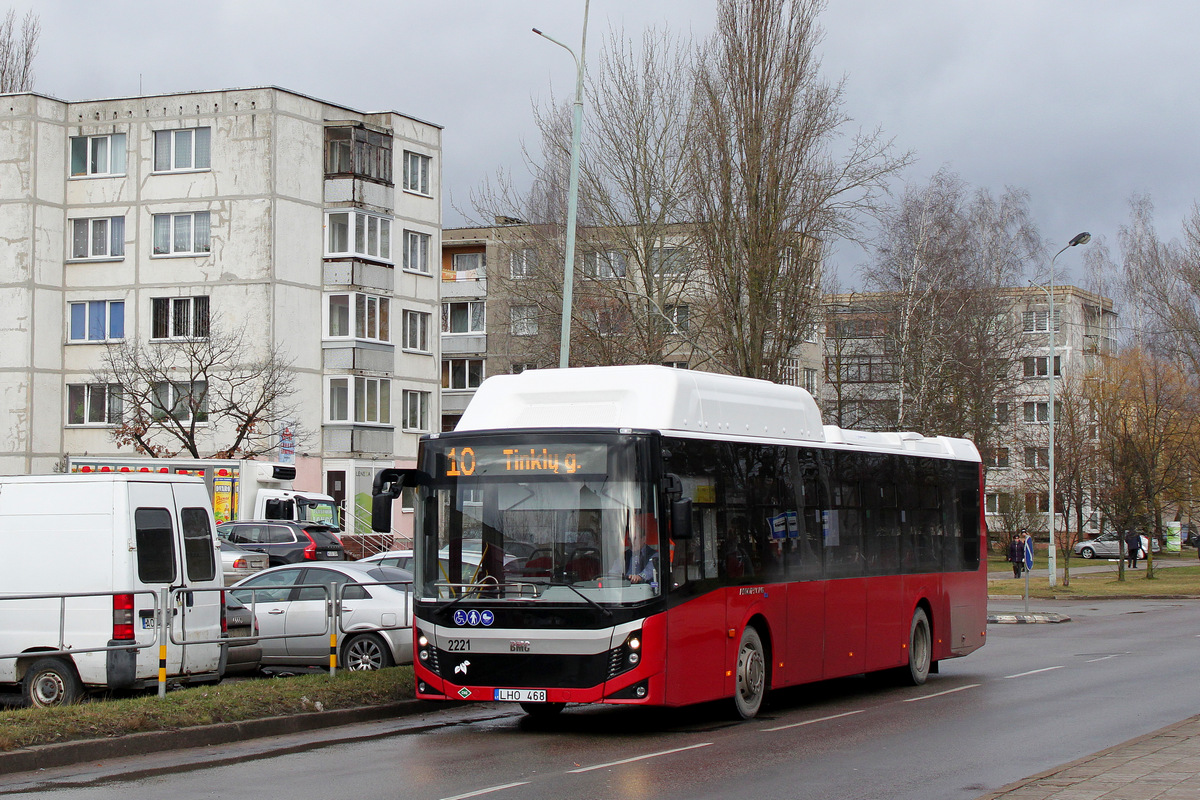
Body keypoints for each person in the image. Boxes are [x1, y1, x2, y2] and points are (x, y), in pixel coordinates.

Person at [617, 515, 659, 584]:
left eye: (635, 538)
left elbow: (649, 571)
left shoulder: (653, 555)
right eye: (629, 539)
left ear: (643, 539)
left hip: (645, 590)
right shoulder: (624, 556)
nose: (631, 542)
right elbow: (614, 572)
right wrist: (605, 578)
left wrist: (639, 577)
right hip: (625, 589)